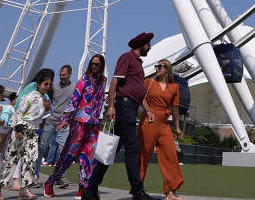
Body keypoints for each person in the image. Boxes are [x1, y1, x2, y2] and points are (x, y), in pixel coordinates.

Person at [83, 32, 155, 200]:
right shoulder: (127, 58)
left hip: (130, 107)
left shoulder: (137, 63)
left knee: (110, 151)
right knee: (132, 149)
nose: (150, 47)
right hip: (123, 107)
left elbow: (138, 93)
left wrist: (148, 110)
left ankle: (90, 191)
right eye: (149, 44)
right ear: (142, 44)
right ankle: (137, 192)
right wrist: (111, 106)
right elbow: (115, 82)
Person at [44, 55, 107, 199]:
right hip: (79, 123)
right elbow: (75, 99)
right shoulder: (84, 80)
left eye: (97, 64)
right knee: (69, 155)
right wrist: (65, 119)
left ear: (101, 65)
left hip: (95, 124)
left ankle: (82, 189)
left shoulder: (103, 81)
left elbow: (100, 101)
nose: (94, 67)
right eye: (92, 64)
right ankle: (50, 181)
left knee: (88, 157)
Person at [0, 69, 54, 200]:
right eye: (45, 84)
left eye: (50, 84)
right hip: (21, 129)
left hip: (34, 132)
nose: (48, 87)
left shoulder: (45, 99)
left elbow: (45, 115)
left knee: (31, 160)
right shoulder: (30, 96)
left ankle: (25, 189)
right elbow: (19, 112)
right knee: (11, 160)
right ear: (38, 84)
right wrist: (19, 129)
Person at [138, 59, 185, 200]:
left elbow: (175, 108)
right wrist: (148, 110)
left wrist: (177, 127)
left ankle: (170, 192)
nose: (157, 68)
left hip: (164, 124)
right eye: (156, 66)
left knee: (170, 155)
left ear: (167, 69)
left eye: (160, 66)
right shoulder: (149, 82)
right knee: (143, 155)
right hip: (149, 120)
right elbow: (142, 98)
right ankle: (137, 190)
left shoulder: (174, 87)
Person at [41, 64, 75, 181]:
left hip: (65, 123)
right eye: (60, 74)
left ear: (70, 74)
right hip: (51, 121)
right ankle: (34, 175)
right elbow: (44, 96)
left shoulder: (75, 88)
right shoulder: (53, 86)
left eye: (64, 74)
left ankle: (61, 176)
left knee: (63, 149)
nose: (61, 76)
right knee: (43, 147)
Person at [0, 93, 16, 164]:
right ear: (13, 100)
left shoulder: (11, 107)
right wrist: (5, 125)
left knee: (3, 142)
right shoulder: (9, 107)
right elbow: (5, 117)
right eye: (16, 99)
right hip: (3, 126)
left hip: (5, 126)